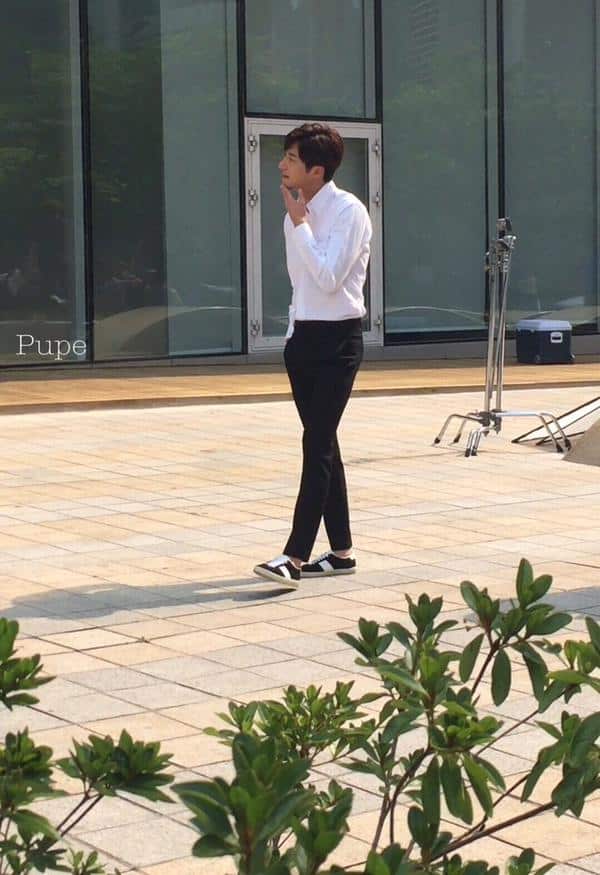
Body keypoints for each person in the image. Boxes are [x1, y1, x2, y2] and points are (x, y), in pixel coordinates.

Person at [254, 122, 372, 589]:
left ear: (316, 170)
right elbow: (301, 286)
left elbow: (328, 279)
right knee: (324, 442)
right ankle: (341, 552)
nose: (281, 165)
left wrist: (301, 224)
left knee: (317, 444)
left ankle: (294, 556)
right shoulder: (295, 215)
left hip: (338, 343)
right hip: (303, 340)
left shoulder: (349, 212)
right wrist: (292, 334)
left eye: (291, 158)